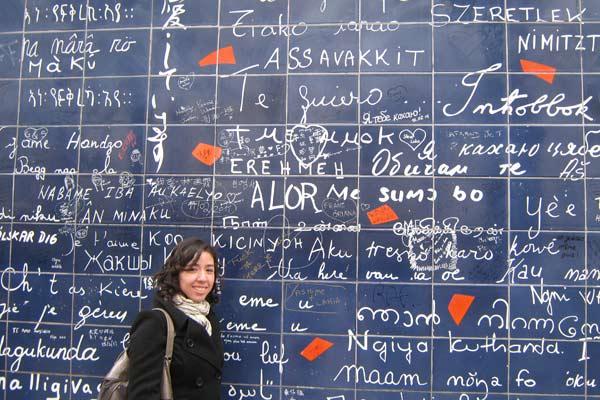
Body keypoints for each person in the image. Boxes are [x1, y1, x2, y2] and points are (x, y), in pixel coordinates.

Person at [127, 237, 224, 399]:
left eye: (209, 270)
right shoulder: (155, 324)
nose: (203, 278)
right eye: (192, 269)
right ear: (176, 275)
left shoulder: (209, 321)